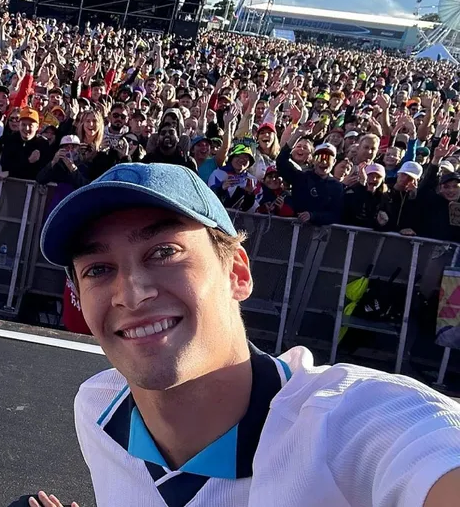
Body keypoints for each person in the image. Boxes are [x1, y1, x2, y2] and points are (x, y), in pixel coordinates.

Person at [34, 162, 460, 507]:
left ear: (237, 272)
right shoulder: (97, 411)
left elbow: (427, 450)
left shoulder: (349, 422)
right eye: (98, 270)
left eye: (164, 252)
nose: (132, 293)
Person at [276, 142, 344, 225]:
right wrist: (296, 136)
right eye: (320, 158)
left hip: (320, 235)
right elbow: (281, 162)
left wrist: (313, 216)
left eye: (328, 159)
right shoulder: (301, 178)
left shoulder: (337, 186)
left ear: (334, 162)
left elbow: (335, 215)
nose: (324, 162)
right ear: (313, 160)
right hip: (294, 230)